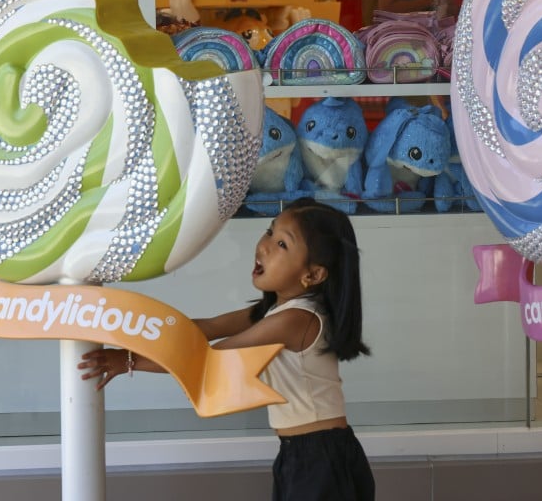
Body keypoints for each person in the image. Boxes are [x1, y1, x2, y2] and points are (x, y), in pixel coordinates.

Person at [79, 197, 375, 501]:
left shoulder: (295, 320)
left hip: (320, 458)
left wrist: (128, 360)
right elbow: (204, 328)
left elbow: (204, 357)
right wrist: (128, 327)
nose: (265, 245)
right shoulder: (275, 311)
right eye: (270, 231)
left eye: (283, 244)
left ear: (312, 275)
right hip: (303, 454)